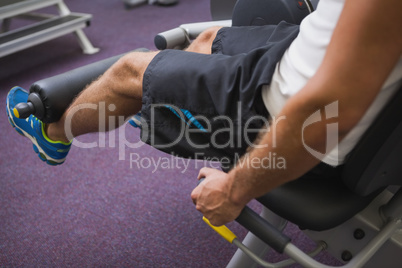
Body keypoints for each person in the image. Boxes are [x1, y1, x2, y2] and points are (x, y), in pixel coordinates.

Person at [6, 0, 402, 226]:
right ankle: (176, 103)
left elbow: (326, 111)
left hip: (279, 105)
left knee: (132, 70)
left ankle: (53, 134)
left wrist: (233, 192)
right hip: (297, 52)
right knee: (210, 36)